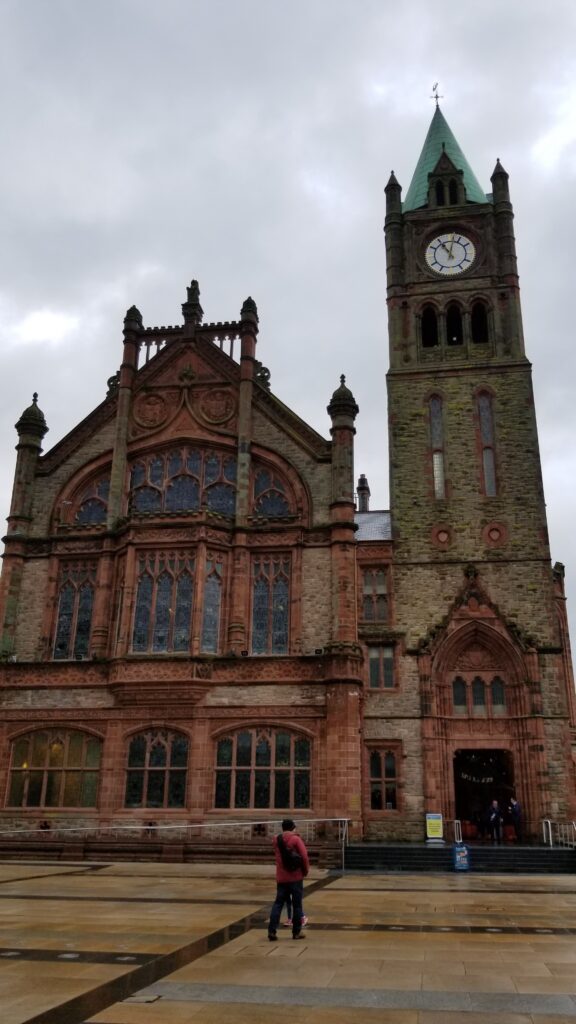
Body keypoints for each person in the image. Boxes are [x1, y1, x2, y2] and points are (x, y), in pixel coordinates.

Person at [268, 819, 310, 941]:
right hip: (295, 877)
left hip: (281, 877)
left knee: (278, 904)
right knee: (297, 905)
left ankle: (272, 931)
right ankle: (296, 932)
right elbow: (304, 856)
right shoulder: (296, 839)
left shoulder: (276, 839)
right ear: (293, 827)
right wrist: (306, 871)